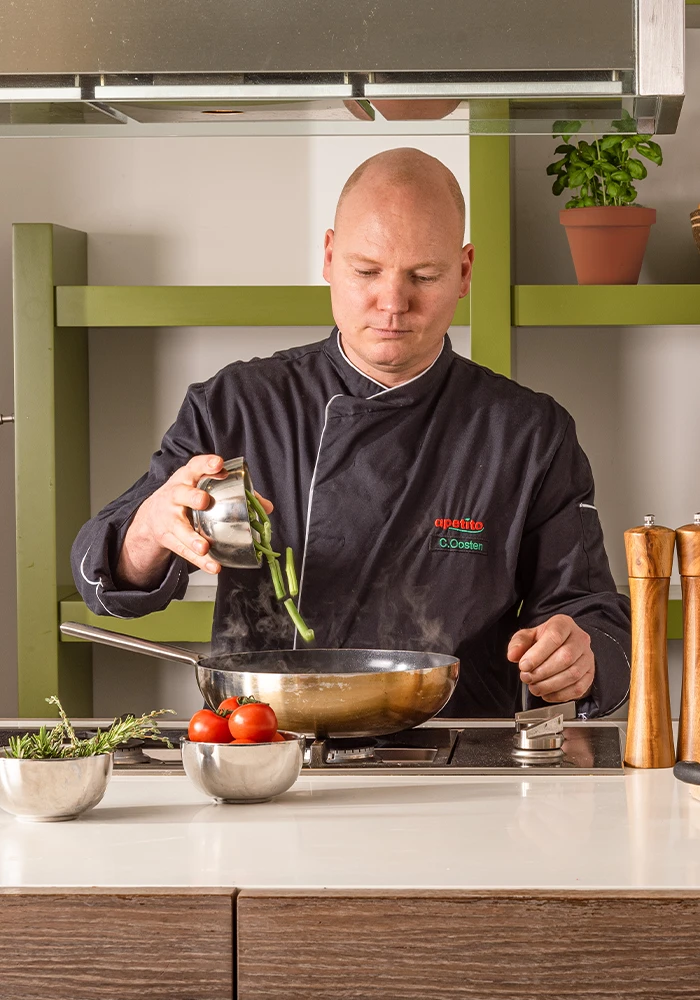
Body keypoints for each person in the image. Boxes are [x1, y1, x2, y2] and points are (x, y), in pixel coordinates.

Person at [71, 147, 630, 719]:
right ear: (330, 256)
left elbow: (590, 611)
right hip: (263, 743)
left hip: (462, 751)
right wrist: (143, 539)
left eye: (424, 275)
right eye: (366, 271)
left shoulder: (529, 433)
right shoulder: (236, 405)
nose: (392, 303)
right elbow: (108, 575)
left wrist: (580, 656)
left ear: (464, 273)